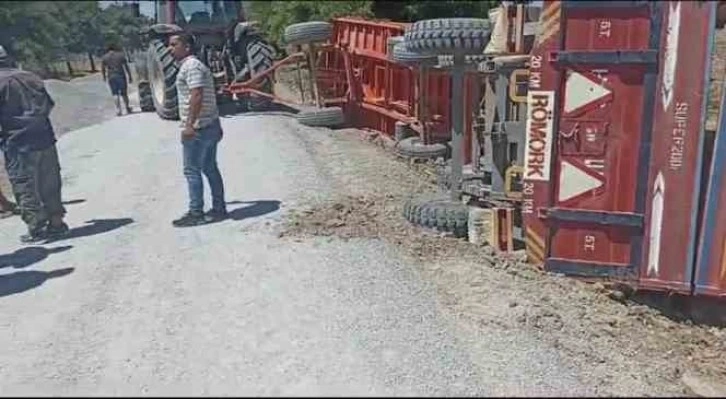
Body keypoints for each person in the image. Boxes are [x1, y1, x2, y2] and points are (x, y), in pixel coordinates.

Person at [0, 45, 69, 243]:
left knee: (24, 184)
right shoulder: (31, 77)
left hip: (17, 141)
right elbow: (49, 104)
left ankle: (36, 227)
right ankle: (57, 223)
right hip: (44, 137)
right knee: (50, 182)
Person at [168, 33, 227, 227]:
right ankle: (219, 209)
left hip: (199, 128)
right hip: (210, 124)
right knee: (209, 167)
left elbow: (197, 94)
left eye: (174, 44)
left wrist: (189, 125)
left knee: (191, 170)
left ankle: (196, 213)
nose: (170, 48)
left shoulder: (191, 66)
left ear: (186, 47)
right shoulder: (195, 65)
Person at [101, 43, 133, 116]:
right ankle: (127, 108)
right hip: (121, 75)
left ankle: (118, 110)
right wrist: (130, 76)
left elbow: (103, 69)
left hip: (111, 76)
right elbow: (126, 66)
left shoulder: (105, 57)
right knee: (124, 93)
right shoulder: (120, 55)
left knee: (115, 94)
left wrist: (104, 77)